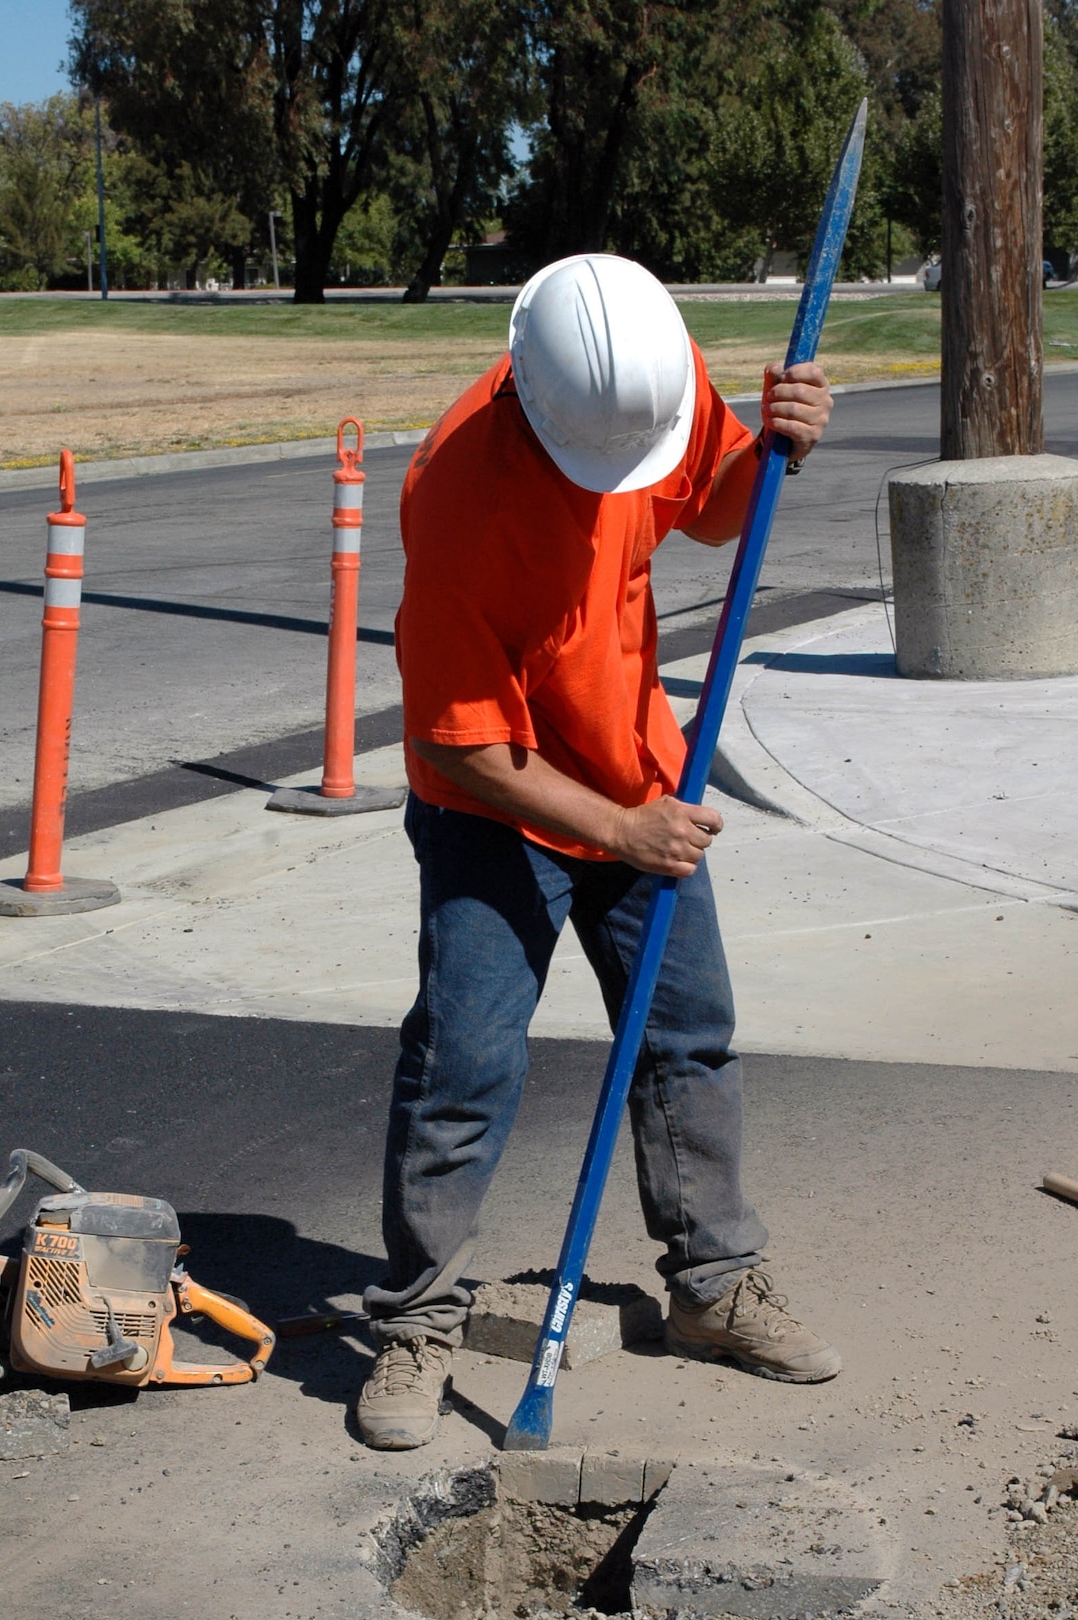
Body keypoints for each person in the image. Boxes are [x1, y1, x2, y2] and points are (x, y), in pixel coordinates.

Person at [356, 253, 838, 1452]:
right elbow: (457, 744)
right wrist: (617, 829)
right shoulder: (459, 492)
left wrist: (779, 445)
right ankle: (421, 1317)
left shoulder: (644, 381)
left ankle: (715, 1283)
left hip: (633, 773)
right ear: (528, 391)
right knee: (464, 1064)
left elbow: (717, 499)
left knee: (686, 1036)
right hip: (494, 806)